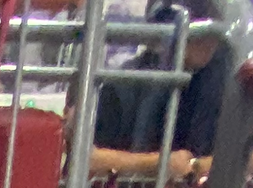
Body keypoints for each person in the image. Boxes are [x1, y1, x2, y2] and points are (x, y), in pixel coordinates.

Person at [91, 3, 232, 178]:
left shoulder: (220, 81)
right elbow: (89, 159)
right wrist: (158, 164)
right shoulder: (124, 86)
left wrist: (196, 166)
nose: (210, 41)